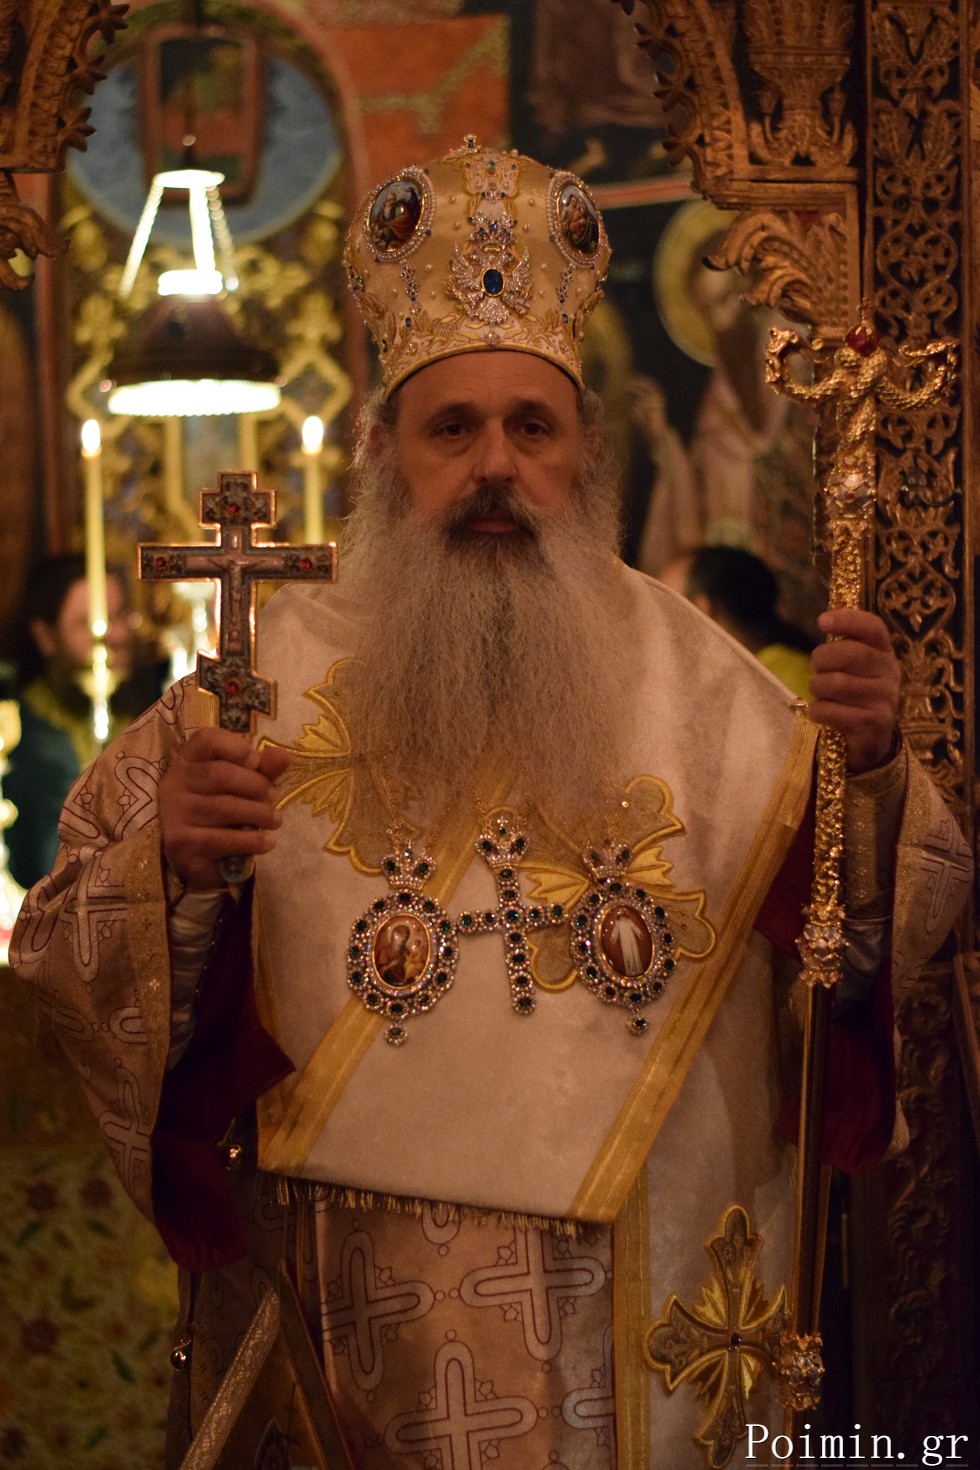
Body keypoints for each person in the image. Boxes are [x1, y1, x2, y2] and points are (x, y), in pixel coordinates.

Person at [10, 142, 972, 1469]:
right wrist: (168, 868)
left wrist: (862, 783)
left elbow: (858, 965)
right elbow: (72, 965)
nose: (495, 467)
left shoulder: (715, 694)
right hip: (353, 1343)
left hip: (648, 1334)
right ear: (383, 452)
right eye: (451, 429)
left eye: (533, 427)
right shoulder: (247, 696)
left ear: (586, 453)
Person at [4, 553, 151, 887]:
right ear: (45, 636)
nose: (115, 635)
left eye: (120, 616)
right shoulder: (17, 734)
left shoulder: (150, 715)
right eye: (88, 624)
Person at [663, 544, 816, 701]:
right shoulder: (771, 671)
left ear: (702, 611)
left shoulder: (777, 685)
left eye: (665, 611)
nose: (660, 630)